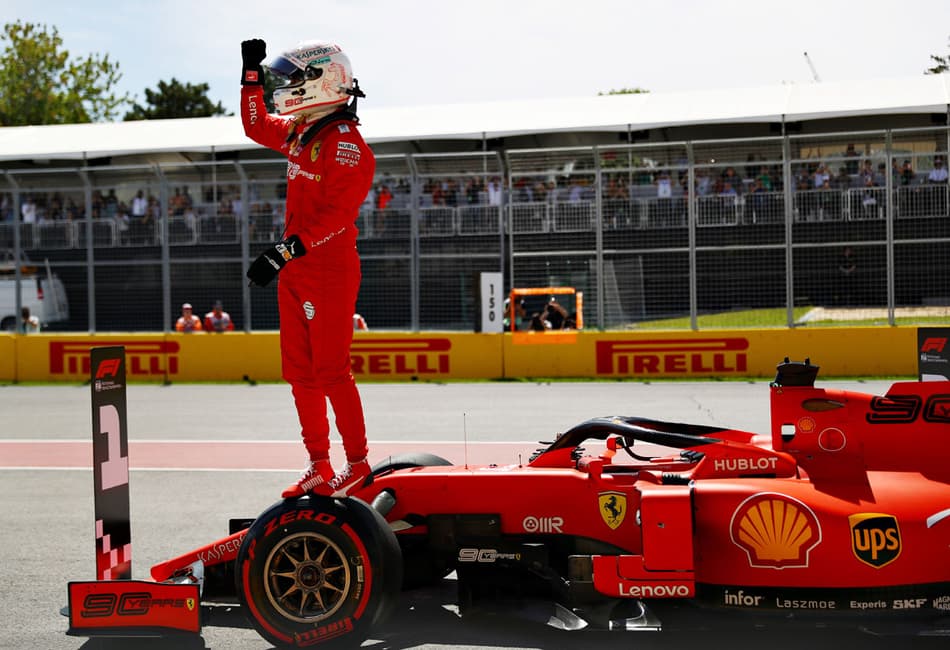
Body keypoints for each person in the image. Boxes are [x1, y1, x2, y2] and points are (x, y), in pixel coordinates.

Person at [241, 37, 376, 498]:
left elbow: (336, 218)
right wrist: (251, 75)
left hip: (327, 270)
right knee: (299, 373)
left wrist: (282, 252)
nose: (289, 86)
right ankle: (319, 464)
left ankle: (358, 464)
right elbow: (257, 126)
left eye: (297, 78)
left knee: (332, 371)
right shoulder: (303, 130)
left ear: (325, 80)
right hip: (296, 267)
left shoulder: (347, 146)